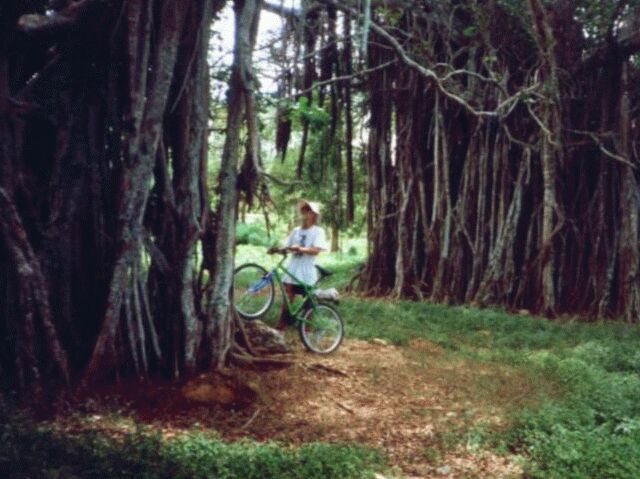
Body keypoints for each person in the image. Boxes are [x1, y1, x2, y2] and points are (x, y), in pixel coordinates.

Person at [275, 200, 328, 330]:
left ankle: (307, 328)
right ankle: (282, 324)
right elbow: (287, 246)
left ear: (314, 215)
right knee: (288, 297)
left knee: (309, 299)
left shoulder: (318, 231)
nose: (304, 213)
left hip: (307, 269)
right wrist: (277, 250)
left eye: (308, 210)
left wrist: (301, 249)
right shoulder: (296, 231)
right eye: (303, 210)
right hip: (293, 268)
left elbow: (316, 251)